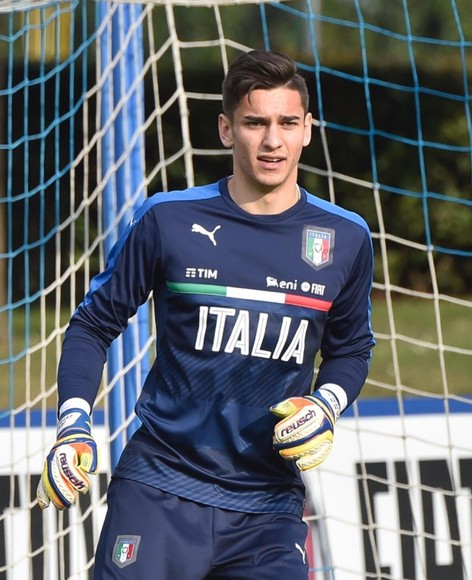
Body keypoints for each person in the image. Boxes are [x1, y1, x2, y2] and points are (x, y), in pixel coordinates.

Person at [35, 50, 375, 579]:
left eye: (287, 123)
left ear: (308, 129)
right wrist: (73, 423)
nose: (272, 141)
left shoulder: (346, 236)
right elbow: (92, 325)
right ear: (225, 129)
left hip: (268, 508)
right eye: (254, 122)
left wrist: (326, 404)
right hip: (159, 488)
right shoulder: (167, 219)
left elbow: (351, 347)